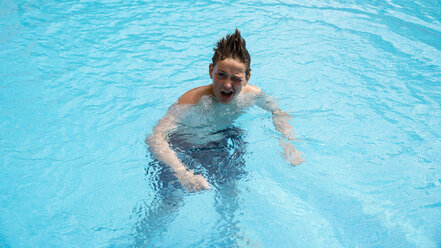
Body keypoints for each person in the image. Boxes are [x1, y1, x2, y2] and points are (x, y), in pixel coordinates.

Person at [146, 28, 304, 192]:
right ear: (210, 71)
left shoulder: (253, 95)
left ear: (246, 79)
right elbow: (155, 138)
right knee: (169, 202)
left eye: (236, 79)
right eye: (221, 75)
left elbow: (278, 112)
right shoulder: (191, 101)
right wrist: (182, 173)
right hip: (181, 148)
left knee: (231, 190)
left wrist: (288, 142)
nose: (227, 85)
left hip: (220, 141)